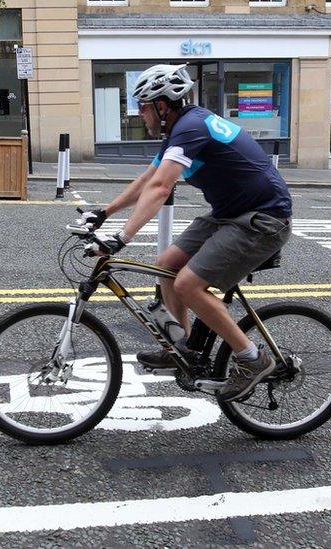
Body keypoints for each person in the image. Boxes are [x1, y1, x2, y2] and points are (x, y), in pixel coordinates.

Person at [83, 64, 293, 402]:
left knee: (187, 284)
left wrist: (122, 237)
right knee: (166, 264)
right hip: (231, 215)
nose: (141, 115)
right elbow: (149, 179)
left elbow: (163, 187)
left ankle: (252, 359)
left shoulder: (191, 127)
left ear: (163, 106)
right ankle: (185, 348)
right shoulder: (181, 131)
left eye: (145, 107)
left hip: (263, 219)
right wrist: (105, 213)